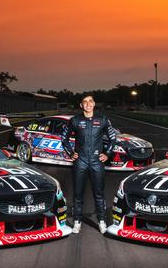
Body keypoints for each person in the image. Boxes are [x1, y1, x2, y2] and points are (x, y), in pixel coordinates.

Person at [61, 94, 117, 234]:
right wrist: (70, 152)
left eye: (90, 101)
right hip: (80, 161)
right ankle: (77, 221)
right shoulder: (75, 120)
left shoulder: (103, 119)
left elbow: (113, 138)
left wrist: (107, 154)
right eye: (85, 102)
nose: (88, 104)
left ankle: (102, 221)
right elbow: (64, 138)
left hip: (97, 161)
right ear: (81, 105)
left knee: (99, 194)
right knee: (78, 194)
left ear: (94, 104)